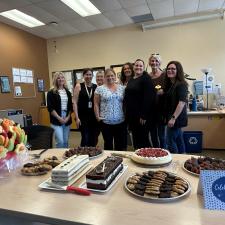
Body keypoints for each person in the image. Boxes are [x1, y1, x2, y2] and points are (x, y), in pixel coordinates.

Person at [124, 59, 156, 149]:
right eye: (136, 65)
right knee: (136, 139)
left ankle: (148, 159)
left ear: (143, 67)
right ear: (133, 67)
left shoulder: (146, 79)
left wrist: (144, 115)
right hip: (132, 116)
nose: (138, 67)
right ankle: (138, 157)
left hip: (142, 117)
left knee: (144, 139)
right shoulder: (131, 80)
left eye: (140, 66)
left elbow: (149, 98)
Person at [94, 68, 127, 150]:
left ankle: (120, 161)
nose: (110, 77)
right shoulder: (99, 89)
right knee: (108, 145)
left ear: (115, 77)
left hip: (120, 122)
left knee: (120, 145)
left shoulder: (122, 88)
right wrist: (97, 116)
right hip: (106, 122)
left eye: (112, 75)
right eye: (108, 76)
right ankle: (109, 162)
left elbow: (126, 103)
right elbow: (96, 104)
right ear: (105, 77)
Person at [164, 61, 188, 153]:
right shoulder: (171, 84)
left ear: (178, 71)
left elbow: (181, 102)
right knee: (179, 139)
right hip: (172, 116)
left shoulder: (181, 84)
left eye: (173, 69)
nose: (170, 70)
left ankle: (175, 160)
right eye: (168, 69)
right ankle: (183, 157)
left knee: (170, 141)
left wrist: (173, 118)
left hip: (176, 118)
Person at [47, 72, 73, 148]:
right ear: (55, 80)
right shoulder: (51, 92)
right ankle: (60, 158)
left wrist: (68, 117)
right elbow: (50, 108)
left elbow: (70, 107)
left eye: (62, 77)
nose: (61, 79)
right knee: (60, 141)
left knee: (65, 141)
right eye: (58, 78)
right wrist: (59, 118)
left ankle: (65, 158)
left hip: (67, 117)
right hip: (56, 118)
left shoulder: (67, 92)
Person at [73, 68, 98, 147]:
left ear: (92, 76)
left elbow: (98, 102)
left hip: (93, 117)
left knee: (93, 138)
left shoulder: (95, 86)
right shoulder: (78, 86)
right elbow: (74, 102)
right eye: (86, 74)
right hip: (83, 117)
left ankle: (92, 155)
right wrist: (77, 118)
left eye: (90, 74)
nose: (88, 76)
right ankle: (83, 156)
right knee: (85, 138)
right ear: (83, 76)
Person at [149, 53, 166, 148]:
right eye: (152, 60)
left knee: (162, 135)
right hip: (151, 111)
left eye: (156, 61)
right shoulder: (147, 76)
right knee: (153, 135)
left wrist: (163, 91)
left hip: (161, 110)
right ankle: (155, 153)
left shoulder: (164, 75)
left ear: (160, 63)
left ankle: (164, 153)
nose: (154, 62)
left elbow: (169, 90)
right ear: (149, 63)